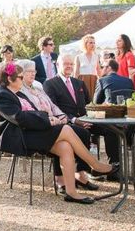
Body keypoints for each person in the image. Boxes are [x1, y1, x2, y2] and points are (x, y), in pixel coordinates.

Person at [0, 63, 118, 204]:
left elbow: (33, 112)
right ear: (10, 79)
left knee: (65, 146)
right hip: (18, 138)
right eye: (21, 77)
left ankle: (71, 192)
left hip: (30, 132)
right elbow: (19, 118)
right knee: (66, 129)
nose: (23, 79)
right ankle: (94, 164)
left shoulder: (18, 93)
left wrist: (49, 118)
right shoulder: (1, 95)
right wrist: (48, 120)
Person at [43, 55, 116, 187]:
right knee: (82, 133)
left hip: (85, 119)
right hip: (65, 121)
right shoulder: (50, 84)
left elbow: (89, 104)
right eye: (65, 64)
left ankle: (115, 170)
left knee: (112, 129)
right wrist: (75, 120)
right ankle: (81, 173)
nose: (69, 66)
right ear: (57, 65)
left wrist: (97, 111)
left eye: (71, 64)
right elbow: (53, 108)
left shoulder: (79, 83)